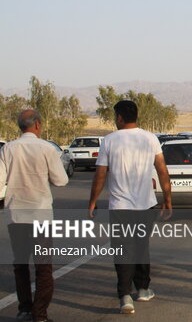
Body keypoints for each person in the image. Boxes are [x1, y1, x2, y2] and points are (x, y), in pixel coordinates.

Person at [88, 100, 172, 315]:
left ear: (119, 117)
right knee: (141, 246)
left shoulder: (109, 141)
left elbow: (100, 174)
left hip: (120, 206)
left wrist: (93, 201)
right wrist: (168, 199)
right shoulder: (150, 138)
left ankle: (125, 295)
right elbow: (162, 171)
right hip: (146, 204)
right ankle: (143, 289)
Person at [0, 109, 68, 322]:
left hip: (16, 216)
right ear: (37, 125)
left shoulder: (8, 149)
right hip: (40, 217)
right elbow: (61, 180)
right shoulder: (47, 149)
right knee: (43, 267)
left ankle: (24, 309)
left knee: (20, 265)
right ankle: (40, 314)